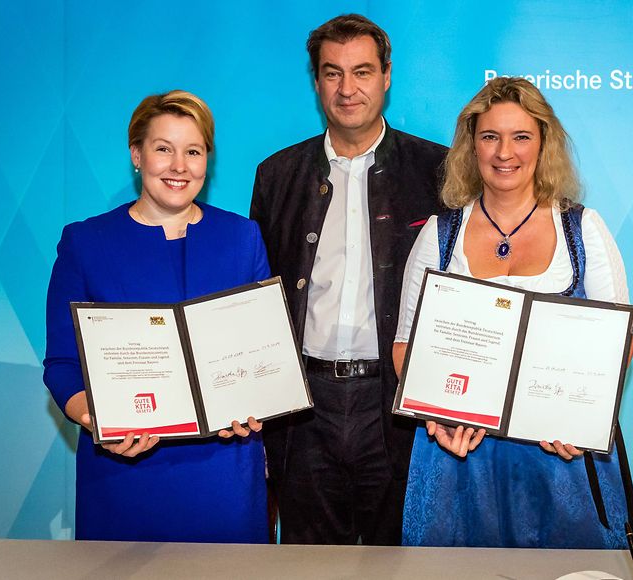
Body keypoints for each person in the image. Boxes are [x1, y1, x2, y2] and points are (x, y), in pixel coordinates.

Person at [392, 77, 633, 548]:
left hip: (561, 454)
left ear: (543, 143)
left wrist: (577, 416)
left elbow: (619, 341)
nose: (504, 152)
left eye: (521, 136)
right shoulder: (438, 234)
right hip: (458, 453)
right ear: (471, 147)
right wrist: (437, 413)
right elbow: (406, 346)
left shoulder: (583, 229)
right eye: (490, 136)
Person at [250, 14, 447, 545]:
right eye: (332, 73)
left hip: (396, 406)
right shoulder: (277, 175)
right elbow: (259, 301)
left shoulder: (439, 171)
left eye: (361, 71)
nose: (347, 88)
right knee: (309, 565)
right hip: (304, 408)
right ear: (316, 82)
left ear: (386, 76)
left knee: (400, 559)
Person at [43, 90, 270, 542]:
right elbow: (63, 366)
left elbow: (264, 350)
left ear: (208, 159)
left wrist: (258, 400)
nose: (179, 166)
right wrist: (96, 419)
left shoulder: (242, 237)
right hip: (124, 474)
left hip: (224, 476)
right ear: (136, 154)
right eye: (163, 148)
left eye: (194, 151)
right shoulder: (85, 243)